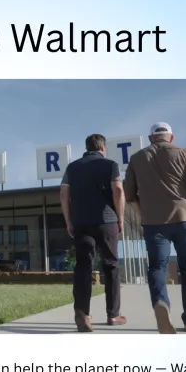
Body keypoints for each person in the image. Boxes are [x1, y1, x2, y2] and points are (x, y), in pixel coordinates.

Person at [124, 122, 186, 334]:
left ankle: (161, 304)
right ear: (171, 137)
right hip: (185, 219)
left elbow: (129, 196)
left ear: (150, 138)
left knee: (157, 268)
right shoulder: (184, 153)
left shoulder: (136, 158)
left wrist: (143, 214)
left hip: (154, 223)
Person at [60, 134, 126, 332]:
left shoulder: (73, 167)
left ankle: (83, 314)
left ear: (87, 148)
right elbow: (118, 191)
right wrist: (120, 218)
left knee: (83, 267)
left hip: (81, 222)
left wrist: (68, 220)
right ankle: (113, 315)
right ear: (103, 148)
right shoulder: (110, 165)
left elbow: (63, 193)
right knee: (111, 265)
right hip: (107, 221)